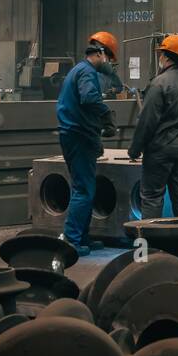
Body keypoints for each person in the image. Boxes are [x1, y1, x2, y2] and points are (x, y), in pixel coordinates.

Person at [57, 31, 120, 256]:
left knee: (84, 188)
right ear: (101, 53)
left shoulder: (79, 70)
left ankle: (82, 238)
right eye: (110, 58)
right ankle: (72, 241)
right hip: (78, 137)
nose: (110, 64)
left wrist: (95, 135)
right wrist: (107, 116)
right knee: (83, 190)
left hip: (79, 136)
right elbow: (90, 99)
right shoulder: (86, 72)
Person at [128, 34, 178, 220]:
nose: (159, 57)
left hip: (163, 147)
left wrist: (135, 150)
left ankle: (151, 247)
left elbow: (147, 121)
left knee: (152, 196)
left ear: (166, 56)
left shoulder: (160, 83)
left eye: (160, 54)